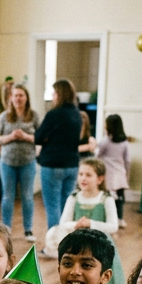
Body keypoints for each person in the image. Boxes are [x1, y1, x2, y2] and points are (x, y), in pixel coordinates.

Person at [47, 158, 124, 284]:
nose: (83, 178)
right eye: (81, 174)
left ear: (100, 179)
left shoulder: (106, 199)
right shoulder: (74, 197)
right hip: (79, 246)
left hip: (101, 246)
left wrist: (90, 223)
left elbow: (113, 226)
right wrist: (77, 224)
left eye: (88, 175)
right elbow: (63, 223)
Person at [35, 78, 82, 240]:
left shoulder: (54, 114)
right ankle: (67, 241)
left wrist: (49, 139)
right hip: (72, 164)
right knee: (66, 206)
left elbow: (38, 137)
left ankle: (54, 243)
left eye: (55, 93)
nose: (53, 96)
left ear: (60, 94)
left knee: (52, 206)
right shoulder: (77, 114)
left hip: (53, 164)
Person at [0, 82, 38, 242]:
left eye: (21, 95)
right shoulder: (4, 116)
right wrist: (11, 136)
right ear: (10, 98)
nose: (18, 98)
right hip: (7, 162)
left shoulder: (33, 116)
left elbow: (41, 137)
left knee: (27, 196)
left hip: (28, 161)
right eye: (15, 95)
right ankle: (5, 229)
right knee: (7, 196)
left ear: (26, 98)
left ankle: (28, 230)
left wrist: (26, 136)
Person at [96, 114, 130, 227]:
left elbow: (98, 155)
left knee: (107, 197)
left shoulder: (105, 141)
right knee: (120, 198)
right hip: (120, 173)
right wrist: (127, 174)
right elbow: (127, 160)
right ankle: (120, 218)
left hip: (108, 173)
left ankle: (107, 218)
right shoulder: (124, 142)